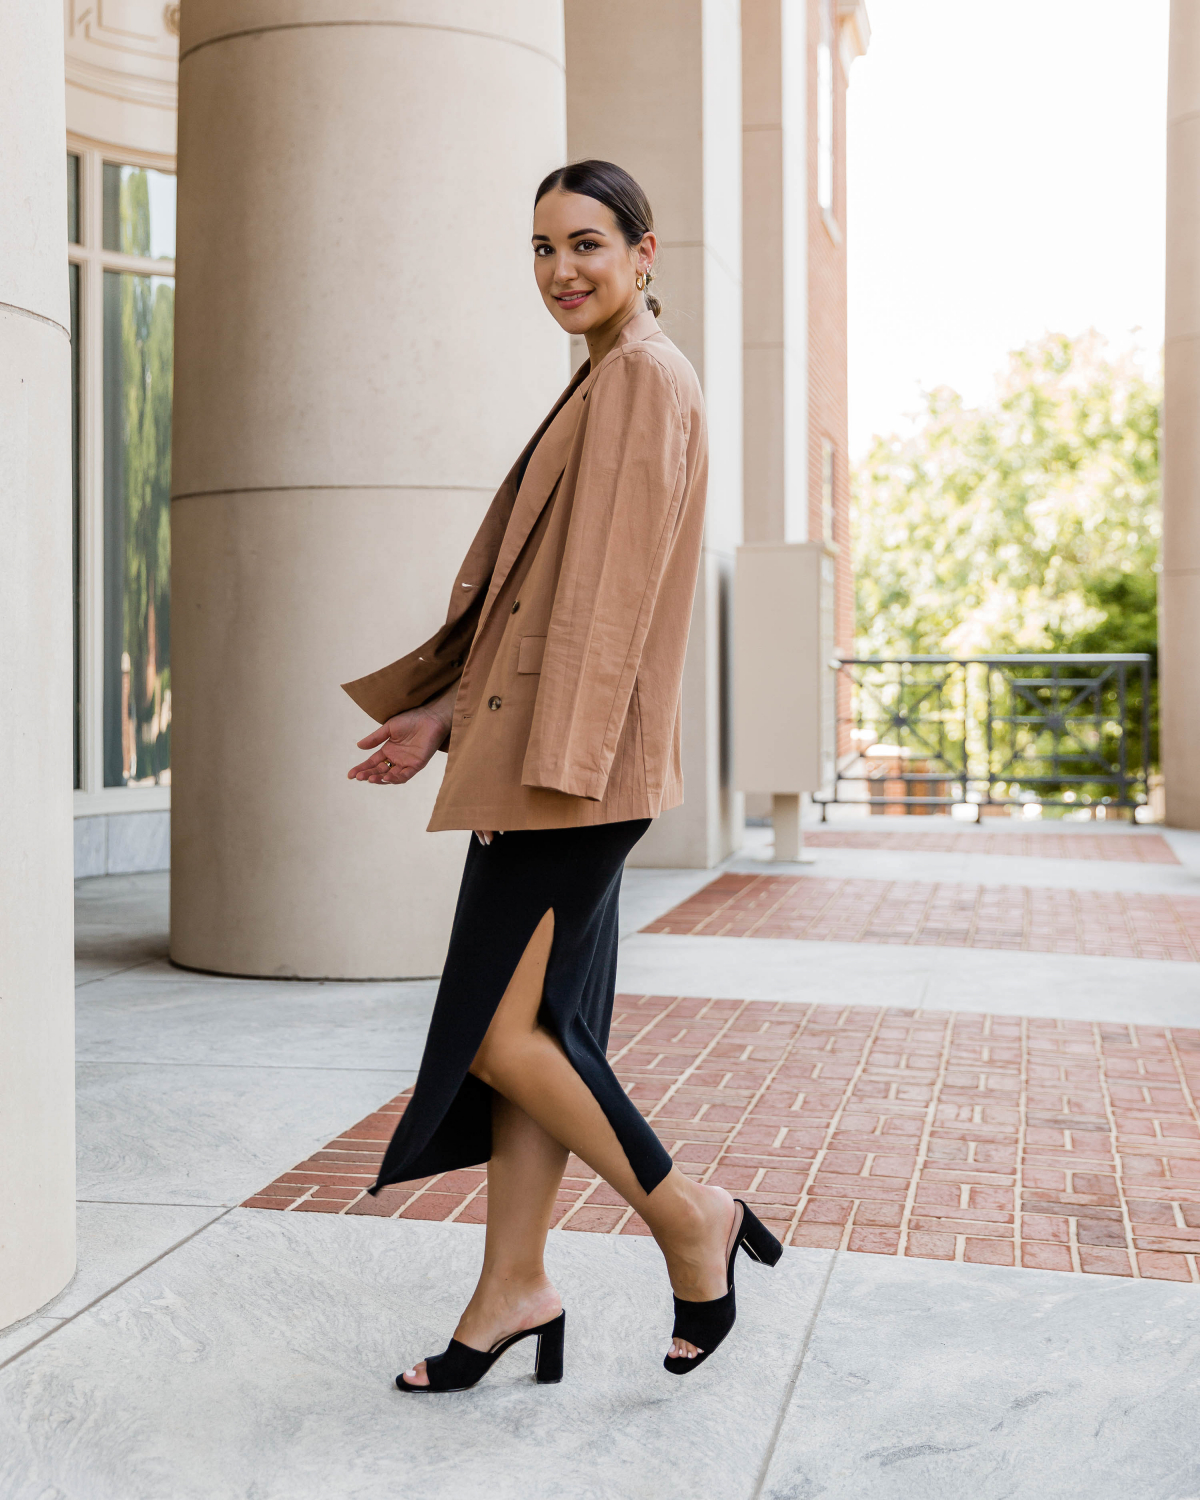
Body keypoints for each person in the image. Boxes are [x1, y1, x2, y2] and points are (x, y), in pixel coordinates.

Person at [344, 160, 780, 1394]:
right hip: (562, 754)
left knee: (496, 1032)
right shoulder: (612, 376)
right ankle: (513, 1290)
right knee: (538, 1030)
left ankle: (691, 1216)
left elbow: (598, 612)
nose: (562, 270)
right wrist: (439, 716)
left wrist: (544, 771)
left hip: (570, 766)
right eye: (541, 249)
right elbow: (548, 606)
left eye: (586, 244)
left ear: (646, 253)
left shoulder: (640, 380)